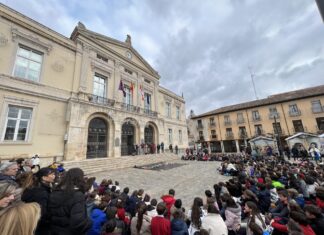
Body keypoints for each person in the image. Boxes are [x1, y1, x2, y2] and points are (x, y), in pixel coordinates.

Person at [48, 168, 92, 235]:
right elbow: (78, 223)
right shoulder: (77, 196)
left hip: (54, 230)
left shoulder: (55, 191)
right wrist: (89, 223)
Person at [21, 167, 56, 235]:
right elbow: (42, 213)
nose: (54, 176)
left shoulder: (35, 187)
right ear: (44, 177)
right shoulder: (41, 192)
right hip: (39, 227)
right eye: (52, 174)